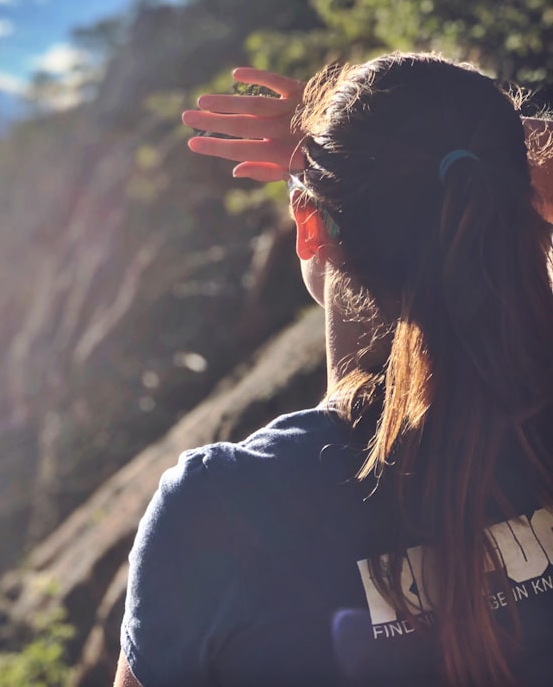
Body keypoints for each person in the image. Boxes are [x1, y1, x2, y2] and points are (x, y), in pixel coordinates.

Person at [114, 53, 553, 687]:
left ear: (309, 225)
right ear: (517, 206)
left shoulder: (223, 514)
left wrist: (364, 152)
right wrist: (469, 154)